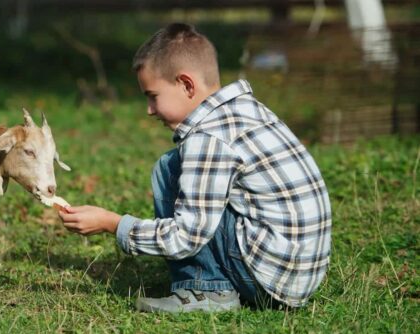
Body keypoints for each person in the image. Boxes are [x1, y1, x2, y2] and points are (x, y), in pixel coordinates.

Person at [59, 23, 332, 313]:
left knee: (169, 168)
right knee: (177, 164)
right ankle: (213, 282)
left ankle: (204, 290)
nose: (149, 110)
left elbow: (184, 237)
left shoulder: (208, 139)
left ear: (186, 85)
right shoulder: (245, 109)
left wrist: (112, 223)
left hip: (269, 283)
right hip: (299, 275)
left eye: (153, 96)